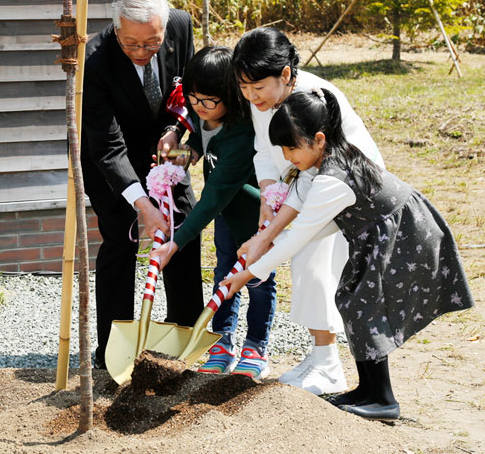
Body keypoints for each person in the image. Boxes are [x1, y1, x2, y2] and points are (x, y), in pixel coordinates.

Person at [220, 90, 474, 420]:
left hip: (405, 235)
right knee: (353, 300)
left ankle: (383, 399)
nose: (286, 155)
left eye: (291, 147)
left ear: (319, 139)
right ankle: (366, 390)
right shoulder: (323, 163)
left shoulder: (333, 179)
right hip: (376, 235)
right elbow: (298, 202)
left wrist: (246, 274)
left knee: (365, 304)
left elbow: (300, 235)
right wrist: (261, 241)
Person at [231, 27, 384, 395]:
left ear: (285, 75)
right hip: (307, 187)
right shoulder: (264, 100)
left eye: (258, 88)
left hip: (346, 190)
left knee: (309, 259)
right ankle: (320, 356)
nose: (252, 97)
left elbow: (310, 179)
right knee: (306, 262)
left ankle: (329, 363)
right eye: (244, 89)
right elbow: (263, 149)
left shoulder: (311, 101)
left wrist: (264, 239)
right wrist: (268, 193)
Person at [81, 0, 204, 370]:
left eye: (151, 43)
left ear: (165, 30)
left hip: (164, 149)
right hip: (111, 158)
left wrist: (177, 132)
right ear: (116, 29)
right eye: (131, 43)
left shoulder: (181, 27)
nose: (141, 52)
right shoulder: (95, 59)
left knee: (184, 225)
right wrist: (141, 202)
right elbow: (105, 144)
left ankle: (185, 335)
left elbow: (191, 90)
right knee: (121, 238)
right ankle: (112, 349)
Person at [153, 46, 277, 380]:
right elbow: (199, 145)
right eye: (193, 98)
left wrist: (175, 243)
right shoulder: (200, 114)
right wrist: (176, 155)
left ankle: (256, 346)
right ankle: (222, 343)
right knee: (224, 274)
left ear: (231, 96)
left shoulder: (241, 134)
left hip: (254, 217)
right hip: (225, 216)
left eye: (209, 101)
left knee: (258, 280)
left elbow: (212, 197)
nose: (199, 107)